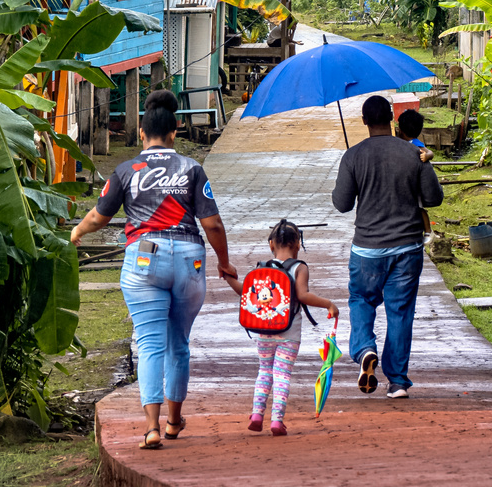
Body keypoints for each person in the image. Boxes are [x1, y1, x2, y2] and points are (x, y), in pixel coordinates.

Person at [70, 93, 236, 450]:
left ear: (142, 134)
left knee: (149, 345)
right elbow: (214, 224)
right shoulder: (192, 169)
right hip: (189, 258)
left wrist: (78, 231)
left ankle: (152, 428)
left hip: (144, 257)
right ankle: (175, 421)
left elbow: (100, 216)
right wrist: (224, 262)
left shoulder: (126, 170)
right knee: (179, 343)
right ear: (174, 132)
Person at [331, 94, 443, 399]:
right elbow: (433, 199)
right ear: (392, 120)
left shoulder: (353, 156)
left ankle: (365, 349)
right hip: (406, 249)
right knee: (400, 311)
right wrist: (426, 163)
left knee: (361, 301)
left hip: (367, 250)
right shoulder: (413, 154)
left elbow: (341, 204)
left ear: (365, 121)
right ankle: (397, 381)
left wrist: (351, 169)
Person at [221, 219, 339, 436]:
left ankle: (257, 414)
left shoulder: (262, 268)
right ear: (297, 245)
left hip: (263, 332)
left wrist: (229, 278)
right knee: (282, 374)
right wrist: (329, 304)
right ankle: (277, 420)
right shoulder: (299, 267)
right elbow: (303, 295)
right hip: (289, 334)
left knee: (264, 371)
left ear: (271, 245)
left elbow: (244, 291)